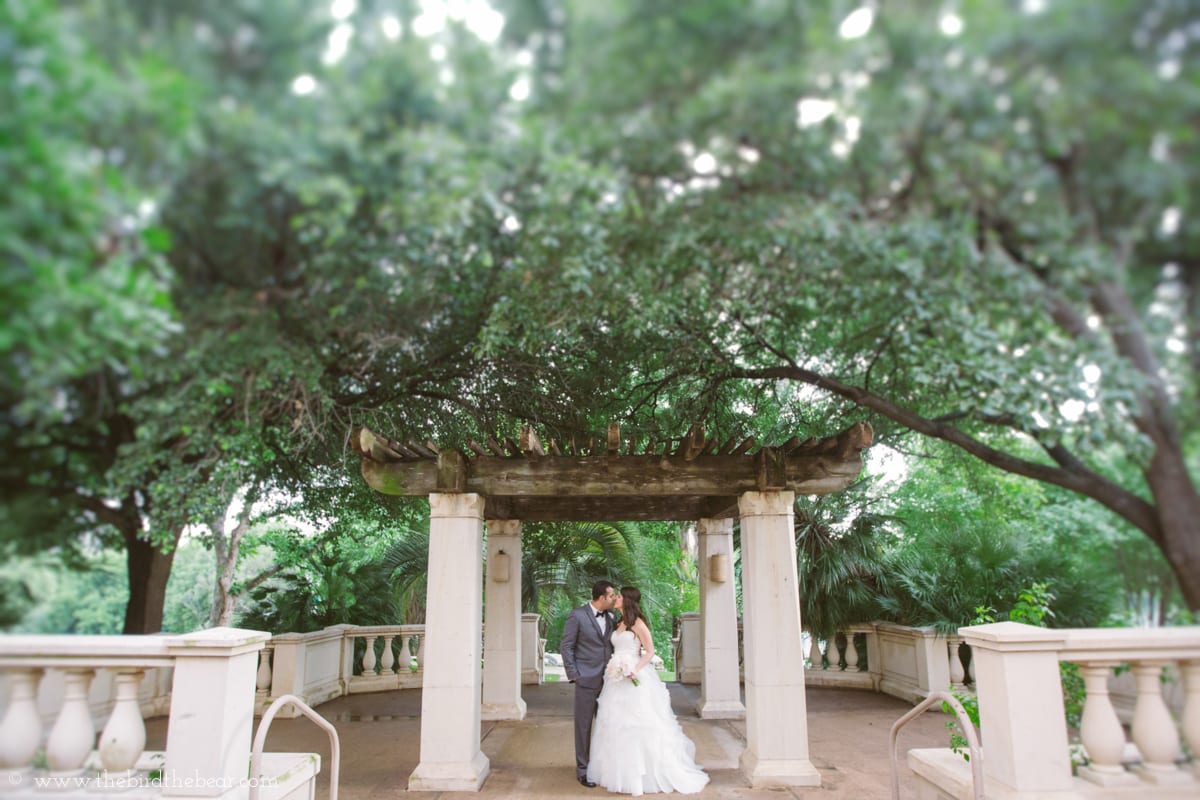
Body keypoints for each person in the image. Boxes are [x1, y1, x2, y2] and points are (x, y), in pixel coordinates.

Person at [586, 587, 709, 796]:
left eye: (620, 596)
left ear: (628, 600)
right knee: (614, 723)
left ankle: (643, 775)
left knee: (638, 724)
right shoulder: (618, 622)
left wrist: (634, 669)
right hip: (615, 679)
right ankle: (618, 772)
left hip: (635, 675)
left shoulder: (638, 624)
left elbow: (650, 651)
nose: (616, 598)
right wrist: (617, 667)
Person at [561, 580, 619, 787]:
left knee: (608, 725)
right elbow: (566, 646)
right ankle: (583, 770)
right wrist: (574, 674)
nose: (614, 598)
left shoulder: (613, 616)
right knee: (583, 726)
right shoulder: (577, 615)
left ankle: (605, 767)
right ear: (602, 597)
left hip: (610, 680)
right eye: (612, 595)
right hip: (586, 679)